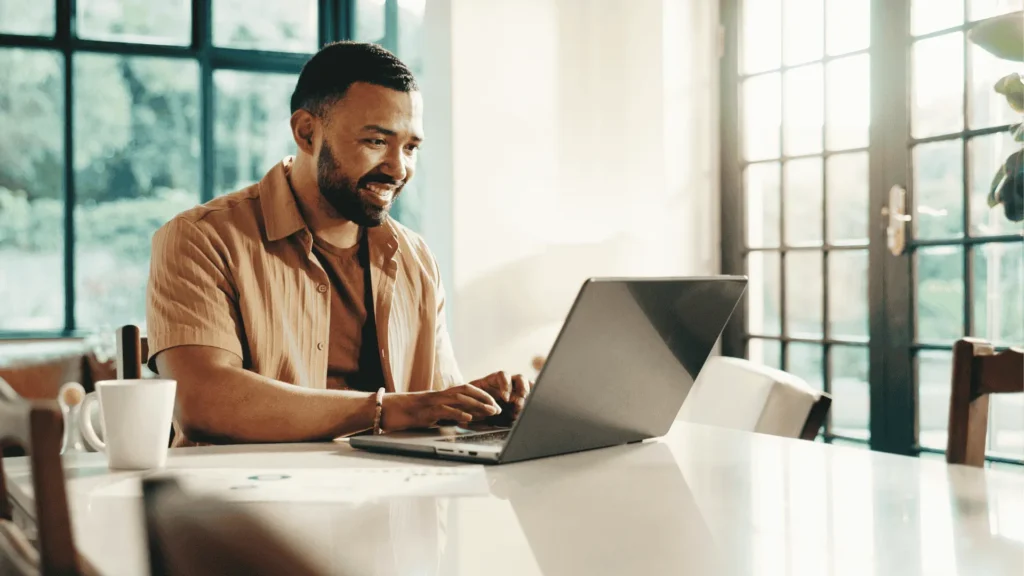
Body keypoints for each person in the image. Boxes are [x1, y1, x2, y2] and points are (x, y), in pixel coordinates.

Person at [147, 42, 531, 446]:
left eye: (411, 147)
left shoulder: (417, 260)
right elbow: (201, 403)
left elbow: (431, 402)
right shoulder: (201, 239)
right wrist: (388, 410)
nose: (399, 168)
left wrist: (480, 411)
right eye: (376, 142)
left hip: (392, 499)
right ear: (307, 132)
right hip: (246, 502)